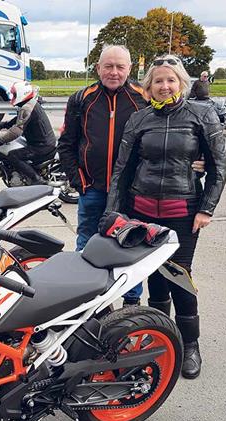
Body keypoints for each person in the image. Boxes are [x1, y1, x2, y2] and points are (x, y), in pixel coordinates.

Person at [105, 54, 226, 379]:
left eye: (170, 80)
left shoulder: (201, 115)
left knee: (179, 278)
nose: (164, 86)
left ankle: (190, 346)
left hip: (184, 213)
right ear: (149, 86)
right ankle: (159, 340)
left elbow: (219, 166)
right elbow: (123, 169)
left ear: (181, 83)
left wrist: (207, 209)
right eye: (158, 81)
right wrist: (113, 212)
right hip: (143, 212)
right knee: (154, 279)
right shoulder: (139, 119)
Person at [58, 44, 204, 304]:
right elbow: (66, 144)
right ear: (98, 68)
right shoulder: (81, 99)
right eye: (108, 66)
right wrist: (79, 181)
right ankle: (86, 300)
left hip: (132, 192)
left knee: (130, 248)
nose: (114, 72)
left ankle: (131, 302)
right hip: (92, 189)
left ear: (129, 68)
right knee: (88, 245)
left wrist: (195, 159)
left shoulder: (143, 96)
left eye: (120, 67)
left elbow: (176, 131)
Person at [0, 81, 56, 186]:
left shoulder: (27, 107)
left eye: (15, 94)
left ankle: (36, 179)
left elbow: (17, 130)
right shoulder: (29, 104)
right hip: (42, 142)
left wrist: (0, 140)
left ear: (22, 93)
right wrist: (2, 125)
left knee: (13, 155)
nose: (13, 97)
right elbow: (20, 119)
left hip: (42, 146)